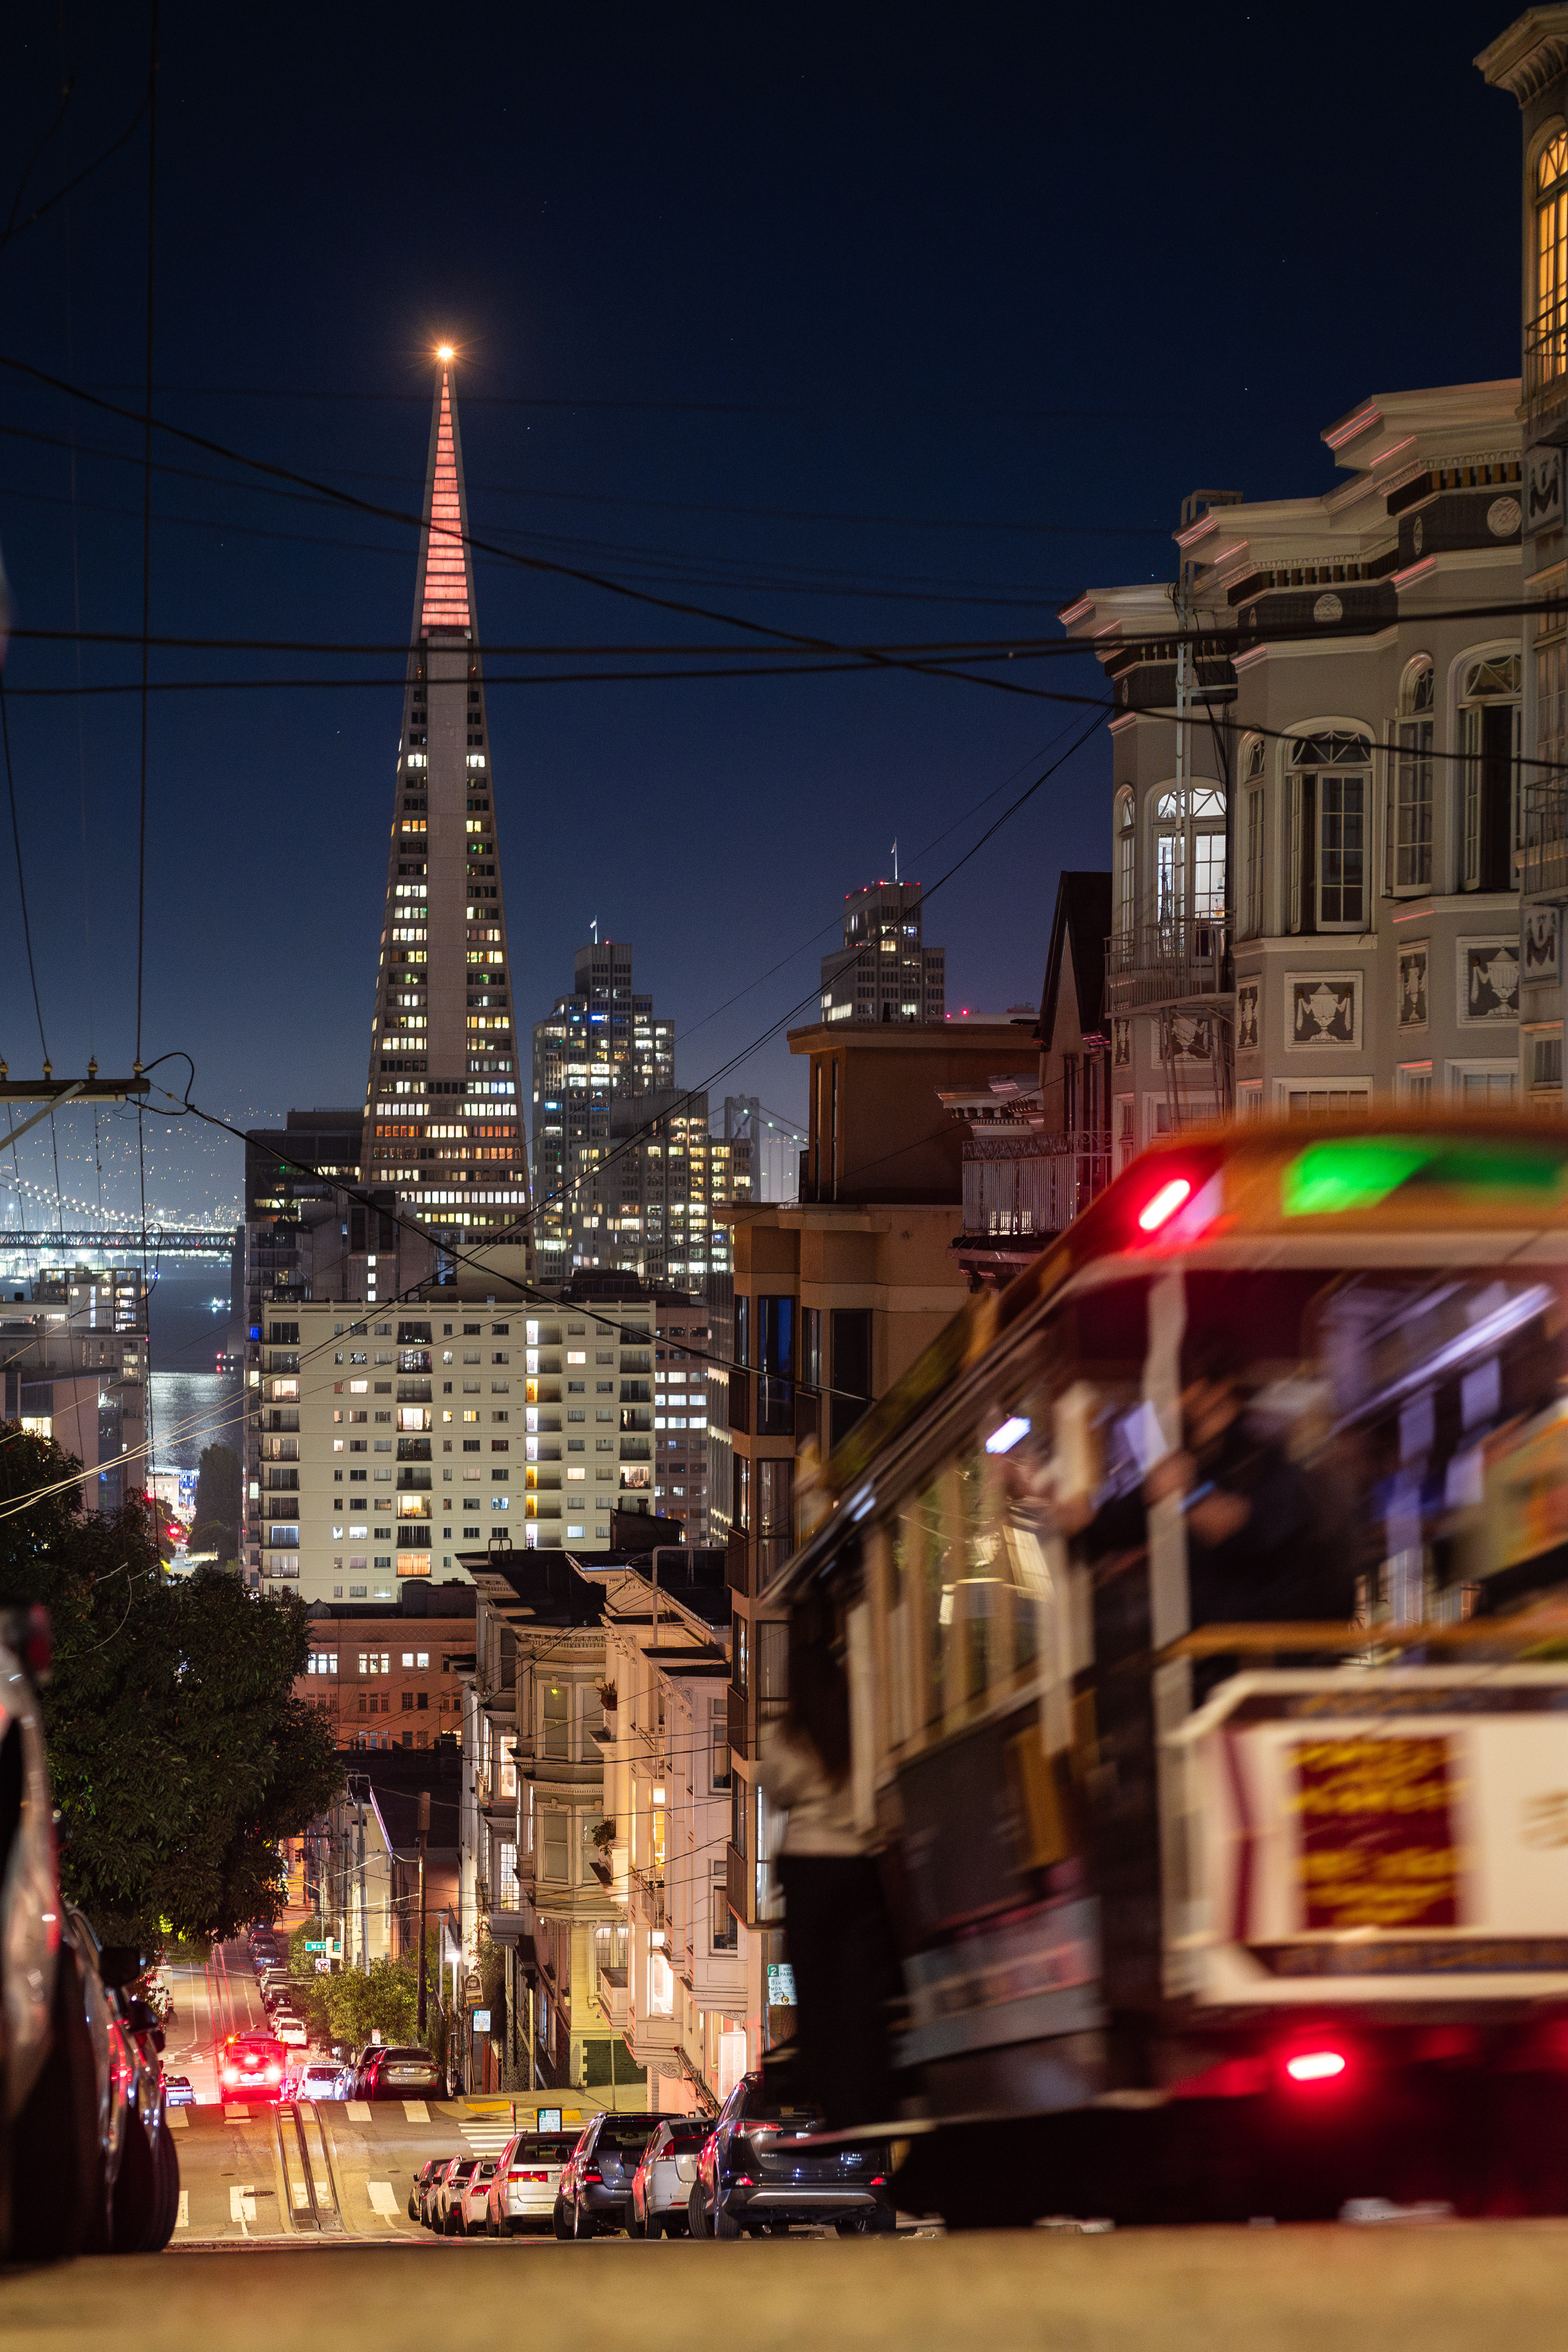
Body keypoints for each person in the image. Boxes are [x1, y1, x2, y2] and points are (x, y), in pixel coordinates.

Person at [758, 1606, 900, 2130]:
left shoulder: (790, 1734)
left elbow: (775, 1789)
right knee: (860, 1984)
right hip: (857, 1864)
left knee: (817, 1989)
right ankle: (867, 2094)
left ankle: (834, 2104)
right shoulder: (860, 1727)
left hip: (807, 1867)